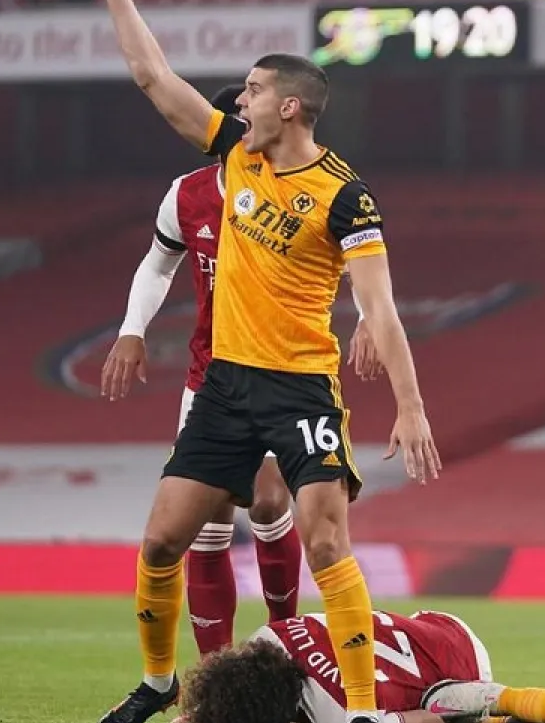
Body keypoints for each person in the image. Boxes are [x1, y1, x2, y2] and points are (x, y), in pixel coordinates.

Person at [93, 0, 442, 723]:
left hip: (300, 389)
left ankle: (363, 708)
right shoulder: (234, 154)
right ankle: (158, 679)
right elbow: (153, 78)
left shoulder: (345, 196)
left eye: (251, 90)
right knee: (162, 540)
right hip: (224, 387)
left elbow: (381, 309)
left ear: (288, 107)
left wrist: (412, 405)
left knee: (326, 542)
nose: (238, 100)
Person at [98, 83, 386, 658]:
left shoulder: (297, 194)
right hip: (210, 379)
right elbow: (157, 265)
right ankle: (216, 673)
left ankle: (284, 642)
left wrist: (369, 319)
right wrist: (132, 329)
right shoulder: (187, 196)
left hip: (283, 373)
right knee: (206, 529)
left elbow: (351, 259)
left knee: (269, 504)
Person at [172, 608, 493, 723]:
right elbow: (238, 684)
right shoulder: (270, 635)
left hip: (469, 670)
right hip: (440, 623)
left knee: (437, 706)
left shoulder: (337, 718)